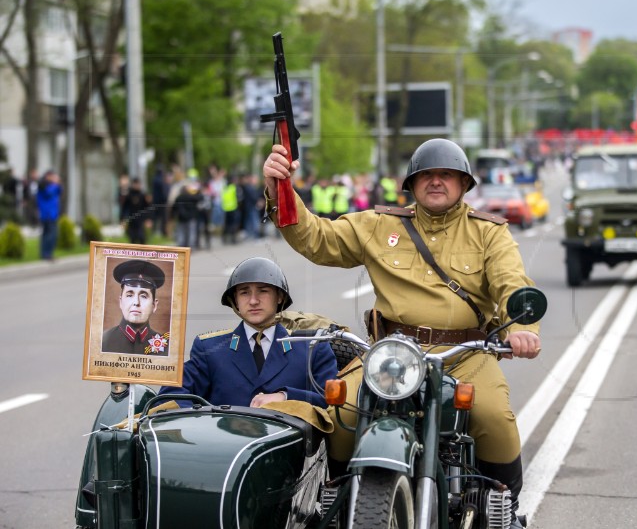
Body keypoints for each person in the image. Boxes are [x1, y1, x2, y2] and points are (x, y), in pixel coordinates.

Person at [263, 138, 541, 528]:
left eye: (447, 175)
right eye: (426, 175)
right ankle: (337, 496)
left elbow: (511, 283)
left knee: (494, 416)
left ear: (463, 184)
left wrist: (523, 328)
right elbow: (317, 239)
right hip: (391, 353)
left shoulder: (487, 233)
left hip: (465, 353)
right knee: (343, 412)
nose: (436, 182)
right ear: (412, 184)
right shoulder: (380, 225)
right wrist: (281, 188)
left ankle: (503, 508)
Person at [159, 257, 338, 408]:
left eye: (263, 291)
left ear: (280, 297)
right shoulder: (210, 348)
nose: (253, 301)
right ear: (235, 300)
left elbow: (331, 402)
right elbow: (170, 398)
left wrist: (285, 397)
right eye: (244, 293)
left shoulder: (312, 347)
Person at [102, 259, 168, 355]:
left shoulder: (166, 347)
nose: (136, 302)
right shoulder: (103, 341)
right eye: (129, 295)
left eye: (144, 296)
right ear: (120, 301)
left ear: (154, 305)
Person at [36, 170, 61, 261]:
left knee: (48, 234)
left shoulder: (50, 186)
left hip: (51, 214)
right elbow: (49, 193)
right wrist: (55, 184)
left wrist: (56, 184)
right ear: (48, 176)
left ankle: (46, 254)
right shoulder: (44, 186)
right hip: (48, 215)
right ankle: (46, 254)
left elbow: (59, 191)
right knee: (50, 235)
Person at [120, 177, 151, 244]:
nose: (137, 185)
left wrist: (148, 219)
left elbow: (147, 208)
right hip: (132, 221)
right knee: (132, 239)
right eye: (135, 184)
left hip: (140, 221)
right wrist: (122, 219)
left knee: (142, 238)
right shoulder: (128, 196)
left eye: (138, 184)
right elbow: (124, 208)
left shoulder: (143, 195)